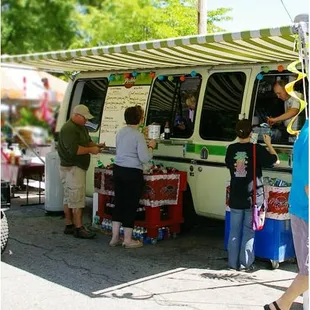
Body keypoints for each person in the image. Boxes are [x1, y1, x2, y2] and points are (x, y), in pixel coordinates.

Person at [264, 119, 309, 310]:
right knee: (308, 270)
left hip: (301, 208)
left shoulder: (304, 134)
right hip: (305, 210)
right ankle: (282, 304)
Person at [225, 119, 278, 271]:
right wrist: (268, 144)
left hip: (235, 196)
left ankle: (232, 263)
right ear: (252, 132)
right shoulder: (256, 149)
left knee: (234, 231)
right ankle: (245, 264)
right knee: (248, 231)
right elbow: (276, 160)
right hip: (252, 198)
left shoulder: (231, 149)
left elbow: (232, 166)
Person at [109, 105, 156, 248]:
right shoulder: (138, 135)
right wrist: (151, 146)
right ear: (140, 119)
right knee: (130, 204)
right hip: (132, 173)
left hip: (118, 170)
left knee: (119, 203)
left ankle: (114, 237)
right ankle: (128, 239)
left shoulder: (121, 132)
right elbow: (144, 158)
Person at [58, 104, 105, 239]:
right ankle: (79, 228)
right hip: (73, 168)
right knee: (77, 199)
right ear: (76, 115)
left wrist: (96, 146)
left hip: (74, 167)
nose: (86, 121)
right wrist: (91, 150)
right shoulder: (69, 129)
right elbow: (74, 150)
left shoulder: (81, 127)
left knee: (69, 197)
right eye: (85, 118)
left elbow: (88, 141)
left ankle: (69, 225)